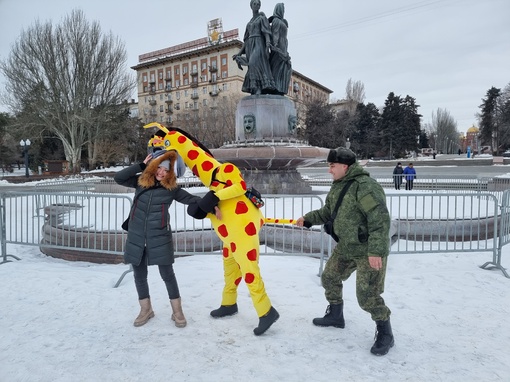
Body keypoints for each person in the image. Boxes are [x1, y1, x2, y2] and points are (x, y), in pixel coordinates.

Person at [296, 147, 394, 356]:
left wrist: (376, 251)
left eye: (332, 166)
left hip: (368, 250)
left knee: (367, 295)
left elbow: (380, 220)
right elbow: (327, 212)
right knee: (330, 277)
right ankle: (335, 315)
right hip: (346, 247)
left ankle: (385, 332)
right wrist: (308, 219)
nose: (329, 171)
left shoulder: (365, 187)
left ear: (345, 166)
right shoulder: (338, 186)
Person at [114, 150, 202, 328]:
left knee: (167, 275)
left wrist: (215, 202)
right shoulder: (141, 182)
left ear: (171, 174)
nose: (161, 172)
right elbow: (119, 178)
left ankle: (177, 311)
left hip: (159, 236)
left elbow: (192, 200)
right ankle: (146, 310)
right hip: (137, 236)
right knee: (139, 275)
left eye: (166, 170)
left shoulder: (172, 190)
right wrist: (141, 165)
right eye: (159, 168)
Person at [233, 0, 276, 95]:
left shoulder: (261, 18)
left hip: (259, 43)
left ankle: (258, 88)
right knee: (251, 66)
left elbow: (266, 32)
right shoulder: (249, 23)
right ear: (251, 6)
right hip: (250, 46)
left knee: (252, 63)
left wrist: (268, 42)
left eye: (258, 4)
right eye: (255, 4)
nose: (256, 5)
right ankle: (255, 88)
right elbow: (246, 40)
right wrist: (239, 53)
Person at [268, 3, 291, 95]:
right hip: (279, 47)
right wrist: (275, 45)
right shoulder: (276, 20)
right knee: (276, 67)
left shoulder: (282, 21)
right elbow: (275, 33)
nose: (283, 12)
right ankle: (275, 88)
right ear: (278, 10)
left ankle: (280, 88)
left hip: (284, 46)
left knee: (283, 67)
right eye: (282, 10)